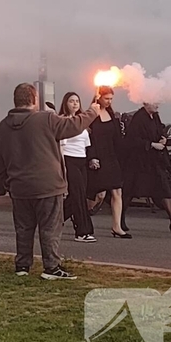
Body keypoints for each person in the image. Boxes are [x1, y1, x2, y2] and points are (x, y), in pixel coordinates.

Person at [0, 83, 99, 280]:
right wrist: (93, 112)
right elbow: (74, 126)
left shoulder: (1, 128)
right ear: (34, 99)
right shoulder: (46, 119)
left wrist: (5, 183)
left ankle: (22, 265)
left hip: (19, 187)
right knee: (50, 228)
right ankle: (51, 267)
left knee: (23, 228)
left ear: (16, 100)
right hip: (48, 185)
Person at [123, 103, 171, 234]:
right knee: (130, 191)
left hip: (154, 161)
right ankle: (120, 219)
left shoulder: (155, 116)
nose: (157, 105)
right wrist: (152, 144)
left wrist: (163, 139)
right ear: (146, 103)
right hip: (139, 163)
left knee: (165, 190)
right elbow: (132, 140)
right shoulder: (138, 118)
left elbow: (159, 130)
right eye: (154, 102)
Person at [85, 87, 129, 239]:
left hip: (111, 157)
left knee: (117, 191)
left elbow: (117, 139)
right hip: (98, 157)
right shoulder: (91, 114)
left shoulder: (112, 115)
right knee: (99, 195)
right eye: (106, 98)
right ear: (99, 97)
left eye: (111, 99)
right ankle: (82, 214)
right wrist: (92, 157)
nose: (109, 101)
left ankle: (117, 227)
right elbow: (88, 139)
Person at [57, 92, 95, 243]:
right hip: (69, 159)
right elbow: (61, 146)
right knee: (77, 195)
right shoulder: (63, 121)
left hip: (81, 160)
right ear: (65, 103)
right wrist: (62, 167)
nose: (75, 104)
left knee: (78, 195)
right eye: (71, 101)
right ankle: (83, 231)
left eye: (77, 101)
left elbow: (86, 145)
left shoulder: (82, 121)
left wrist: (91, 159)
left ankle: (54, 220)